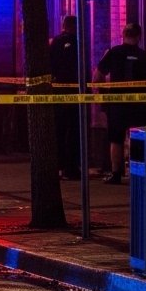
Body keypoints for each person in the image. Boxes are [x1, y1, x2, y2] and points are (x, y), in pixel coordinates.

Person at [93, 22, 146, 185]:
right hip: (138, 104)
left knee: (116, 139)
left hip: (117, 103)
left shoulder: (113, 52)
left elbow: (97, 75)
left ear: (123, 35)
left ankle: (116, 173)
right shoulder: (143, 55)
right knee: (138, 137)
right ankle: (138, 174)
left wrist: (104, 95)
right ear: (139, 37)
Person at [49, 16, 81, 181]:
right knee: (74, 130)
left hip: (58, 92)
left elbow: (50, 66)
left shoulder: (55, 42)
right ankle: (71, 168)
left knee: (59, 130)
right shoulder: (78, 42)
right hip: (75, 92)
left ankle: (58, 166)